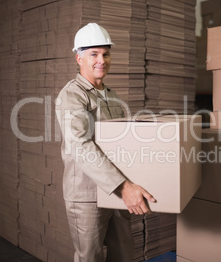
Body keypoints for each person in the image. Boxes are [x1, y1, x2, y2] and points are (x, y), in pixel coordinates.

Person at [55, 23, 156, 262]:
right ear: (79, 58)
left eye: (105, 53)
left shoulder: (111, 95)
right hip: (87, 194)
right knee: (90, 257)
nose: (101, 60)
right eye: (94, 54)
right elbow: (80, 145)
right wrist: (124, 186)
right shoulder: (72, 96)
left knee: (123, 253)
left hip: (117, 191)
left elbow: (121, 142)